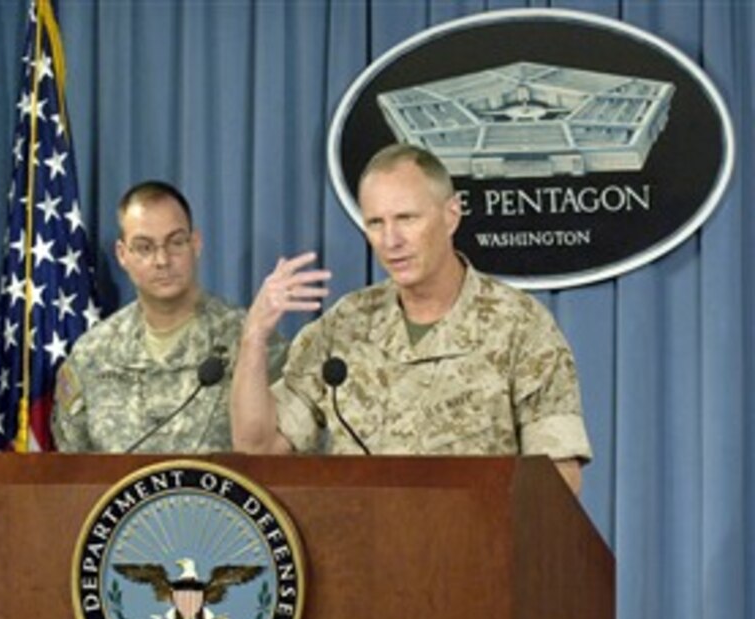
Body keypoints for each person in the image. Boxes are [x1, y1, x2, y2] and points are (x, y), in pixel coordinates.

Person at [230, 144, 591, 493]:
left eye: (406, 218)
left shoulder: (520, 325)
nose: (391, 240)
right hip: (357, 547)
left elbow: (560, 480)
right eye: (375, 223)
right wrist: (254, 337)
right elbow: (259, 450)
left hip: (478, 550)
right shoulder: (344, 326)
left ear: (451, 215)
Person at [51, 180, 287, 452]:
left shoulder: (251, 343)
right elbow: (72, 467)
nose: (162, 260)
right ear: (122, 254)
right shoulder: (91, 354)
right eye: (144, 247)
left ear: (195, 243)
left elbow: (279, 458)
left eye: (175, 242)